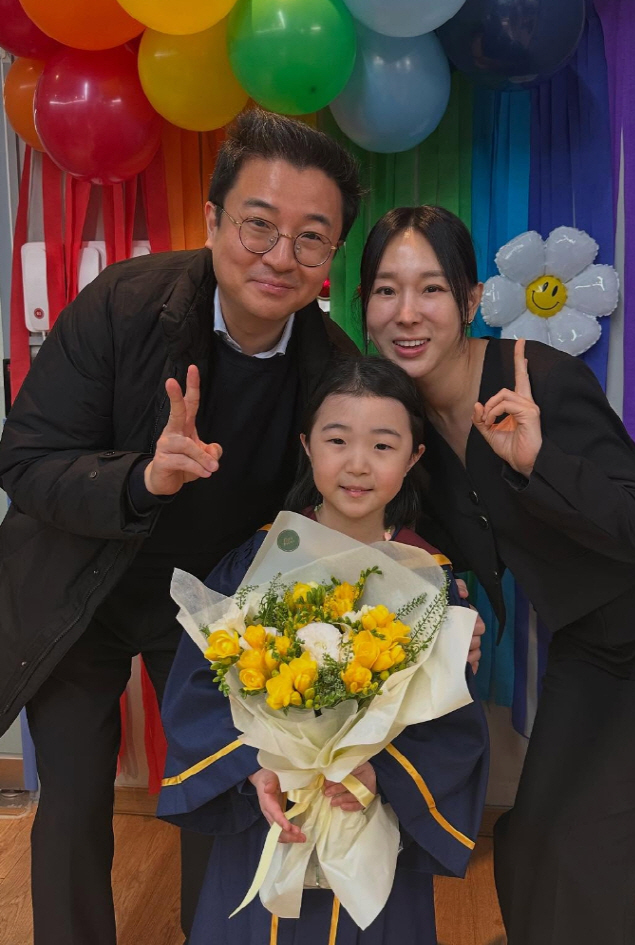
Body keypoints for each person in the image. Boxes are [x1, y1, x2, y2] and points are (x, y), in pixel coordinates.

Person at [0, 109, 364, 945]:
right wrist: (143, 477)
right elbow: (24, 458)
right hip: (73, 584)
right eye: (259, 226)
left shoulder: (333, 370)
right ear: (211, 221)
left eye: (311, 238)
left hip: (210, 604)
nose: (280, 257)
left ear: (331, 257)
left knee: (221, 788)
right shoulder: (125, 307)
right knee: (76, 794)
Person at [361, 205, 635, 945]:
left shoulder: (537, 376)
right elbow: (446, 553)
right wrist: (449, 616)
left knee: (585, 865)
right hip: (590, 642)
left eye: (432, 289)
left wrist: (540, 462)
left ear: (472, 300)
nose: (408, 313)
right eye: (386, 291)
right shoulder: (408, 426)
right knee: (525, 844)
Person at [158, 355, 489, 944]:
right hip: (269, 810)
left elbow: (451, 724)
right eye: (338, 440)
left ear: (414, 457)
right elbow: (197, 685)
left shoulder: (427, 580)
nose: (357, 464)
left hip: (368, 812)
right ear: (308, 446)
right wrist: (256, 768)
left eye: (383, 446)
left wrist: (376, 769)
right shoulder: (259, 560)